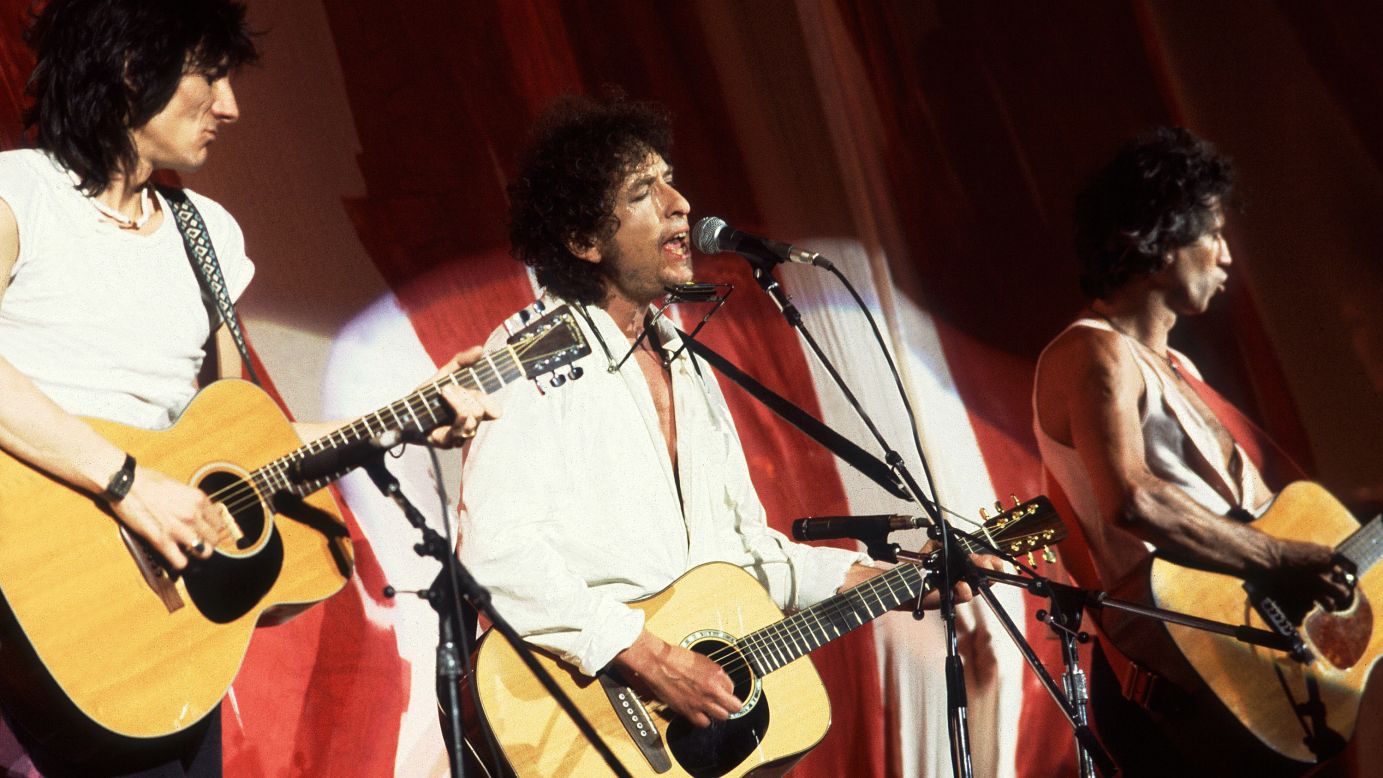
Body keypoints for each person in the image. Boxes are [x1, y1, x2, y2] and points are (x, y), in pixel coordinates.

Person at [0, 1, 497, 775]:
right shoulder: (16, 193)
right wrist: (128, 484)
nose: (230, 107)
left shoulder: (210, 236)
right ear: (134, 71)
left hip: (158, 640)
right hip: (29, 598)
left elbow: (234, 453)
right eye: (211, 76)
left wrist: (396, 420)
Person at [457, 93, 987, 743]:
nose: (680, 203)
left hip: (690, 732)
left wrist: (891, 582)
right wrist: (647, 657)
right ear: (581, 239)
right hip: (582, 724)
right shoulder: (531, 353)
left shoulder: (688, 363)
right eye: (641, 192)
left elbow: (745, 557)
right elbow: (496, 550)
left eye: (670, 181)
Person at [1032, 127, 1356, 776]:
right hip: (1169, 666)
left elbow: (1252, 510)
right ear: (1157, 238)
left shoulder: (1176, 365)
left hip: (1229, 653)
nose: (1227, 256)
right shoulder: (1091, 350)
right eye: (1211, 233)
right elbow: (1134, 499)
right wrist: (1278, 557)